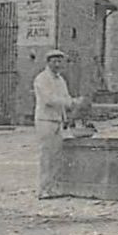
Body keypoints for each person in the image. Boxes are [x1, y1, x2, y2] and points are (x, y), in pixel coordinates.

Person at [33, 50, 81, 198]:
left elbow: (65, 97)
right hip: (45, 121)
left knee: (56, 155)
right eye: (54, 61)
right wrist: (71, 102)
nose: (58, 64)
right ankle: (43, 189)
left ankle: (53, 187)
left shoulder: (60, 80)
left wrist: (69, 112)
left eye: (60, 61)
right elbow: (49, 99)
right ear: (48, 62)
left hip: (58, 120)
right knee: (46, 156)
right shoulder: (42, 79)